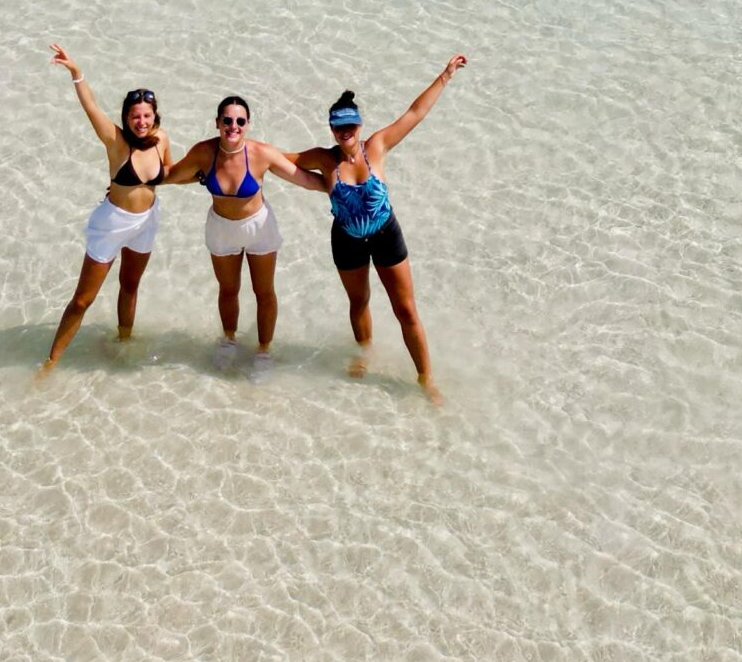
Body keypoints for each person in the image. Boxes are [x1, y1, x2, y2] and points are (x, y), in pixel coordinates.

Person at [297, 58, 466, 402]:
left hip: (386, 234)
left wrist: (445, 76)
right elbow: (276, 160)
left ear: (359, 125)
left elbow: (414, 113)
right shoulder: (324, 159)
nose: (345, 132)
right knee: (359, 301)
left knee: (405, 309)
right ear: (331, 129)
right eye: (338, 127)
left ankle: (425, 379)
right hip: (346, 239)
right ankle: (364, 355)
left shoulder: (377, 145)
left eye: (350, 125)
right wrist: (239, 150)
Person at [164, 97, 324, 377]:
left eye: (240, 121)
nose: (233, 126)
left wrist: (346, 189)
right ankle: (228, 340)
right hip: (220, 228)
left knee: (264, 292)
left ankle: (264, 351)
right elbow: (172, 176)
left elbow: (307, 179)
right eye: (227, 120)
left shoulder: (262, 153)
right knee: (228, 290)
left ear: (248, 124)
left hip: (259, 228)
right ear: (217, 123)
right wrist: (128, 185)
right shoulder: (203, 152)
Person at [39, 45, 171, 374]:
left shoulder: (162, 139)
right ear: (126, 118)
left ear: (154, 115)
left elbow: (169, 173)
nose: (141, 121)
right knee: (83, 299)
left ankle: (123, 343)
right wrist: (76, 72)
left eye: (146, 115)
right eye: (134, 116)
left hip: (147, 221)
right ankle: (51, 362)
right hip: (111, 224)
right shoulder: (115, 141)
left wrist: (208, 174)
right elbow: (91, 106)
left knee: (130, 285)